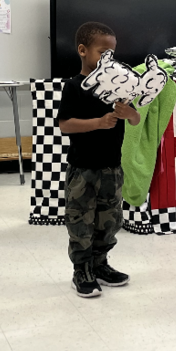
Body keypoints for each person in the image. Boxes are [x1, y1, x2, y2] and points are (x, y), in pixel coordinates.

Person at [57, 22, 140, 298]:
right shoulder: (73, 86)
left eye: (112, 53)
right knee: (80, 222)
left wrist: (128, 112)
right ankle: (81, 269)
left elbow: (136, 118)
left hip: (111, 169)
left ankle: (100, 264)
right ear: (83, 50)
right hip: (82, 170)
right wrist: (98, 122)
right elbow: (65, 125)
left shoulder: (118, 87)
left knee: (110, 220)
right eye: (102, 52)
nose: (109, 59)